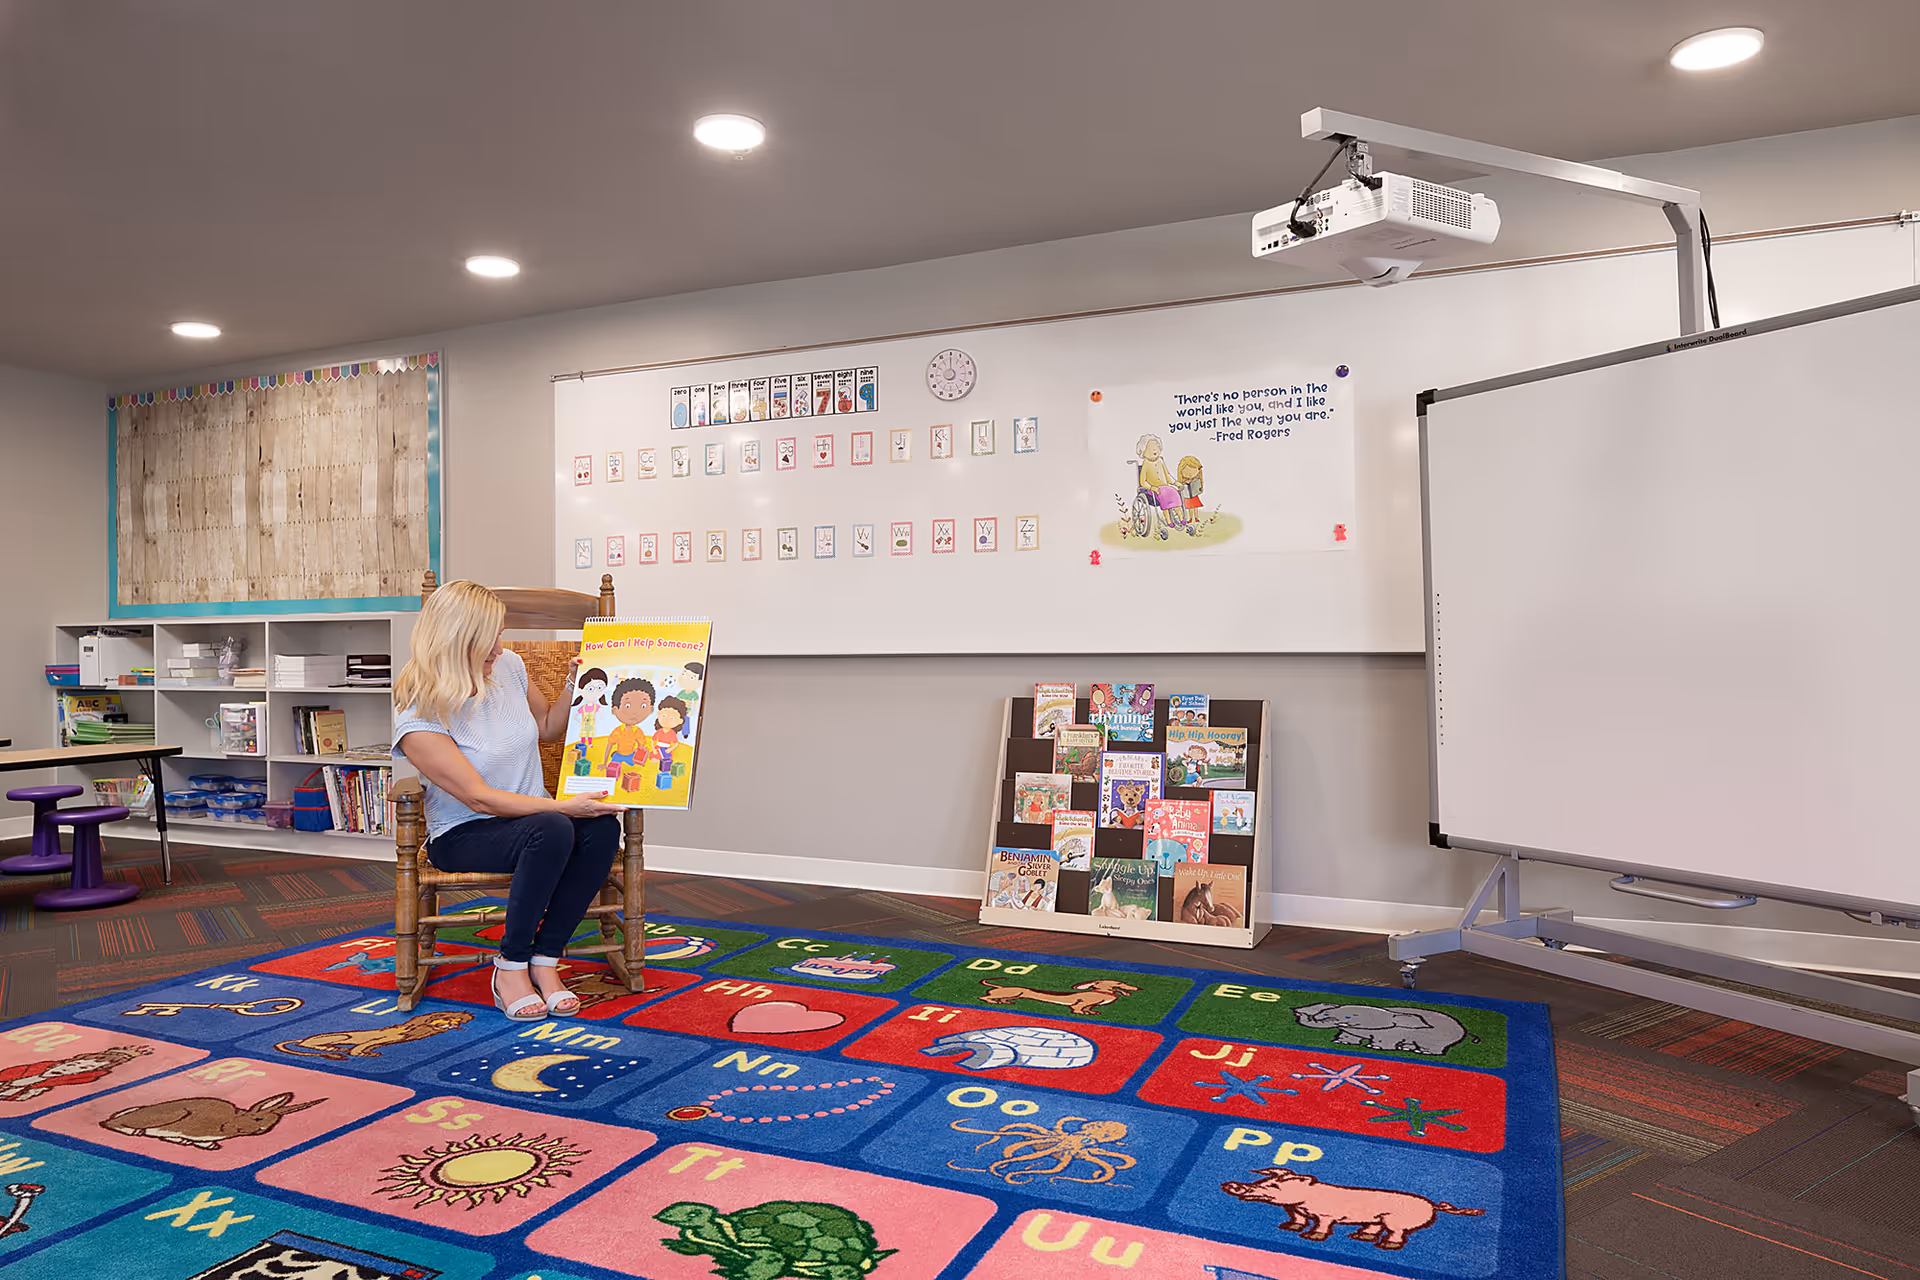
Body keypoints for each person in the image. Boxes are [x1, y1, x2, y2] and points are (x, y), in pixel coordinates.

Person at [393, 580, 623, 1021]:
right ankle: (511, 966)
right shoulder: (419, 709)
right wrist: (563, 808)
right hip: (464, 831)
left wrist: (576, 682)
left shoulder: (509, 666)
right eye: (491, 638)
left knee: (600, 829)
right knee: (555, 827)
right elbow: (479, 799)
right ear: (458, 638)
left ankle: (545, 960)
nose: (501, 646)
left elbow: (548, 727)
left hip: (534, 818)